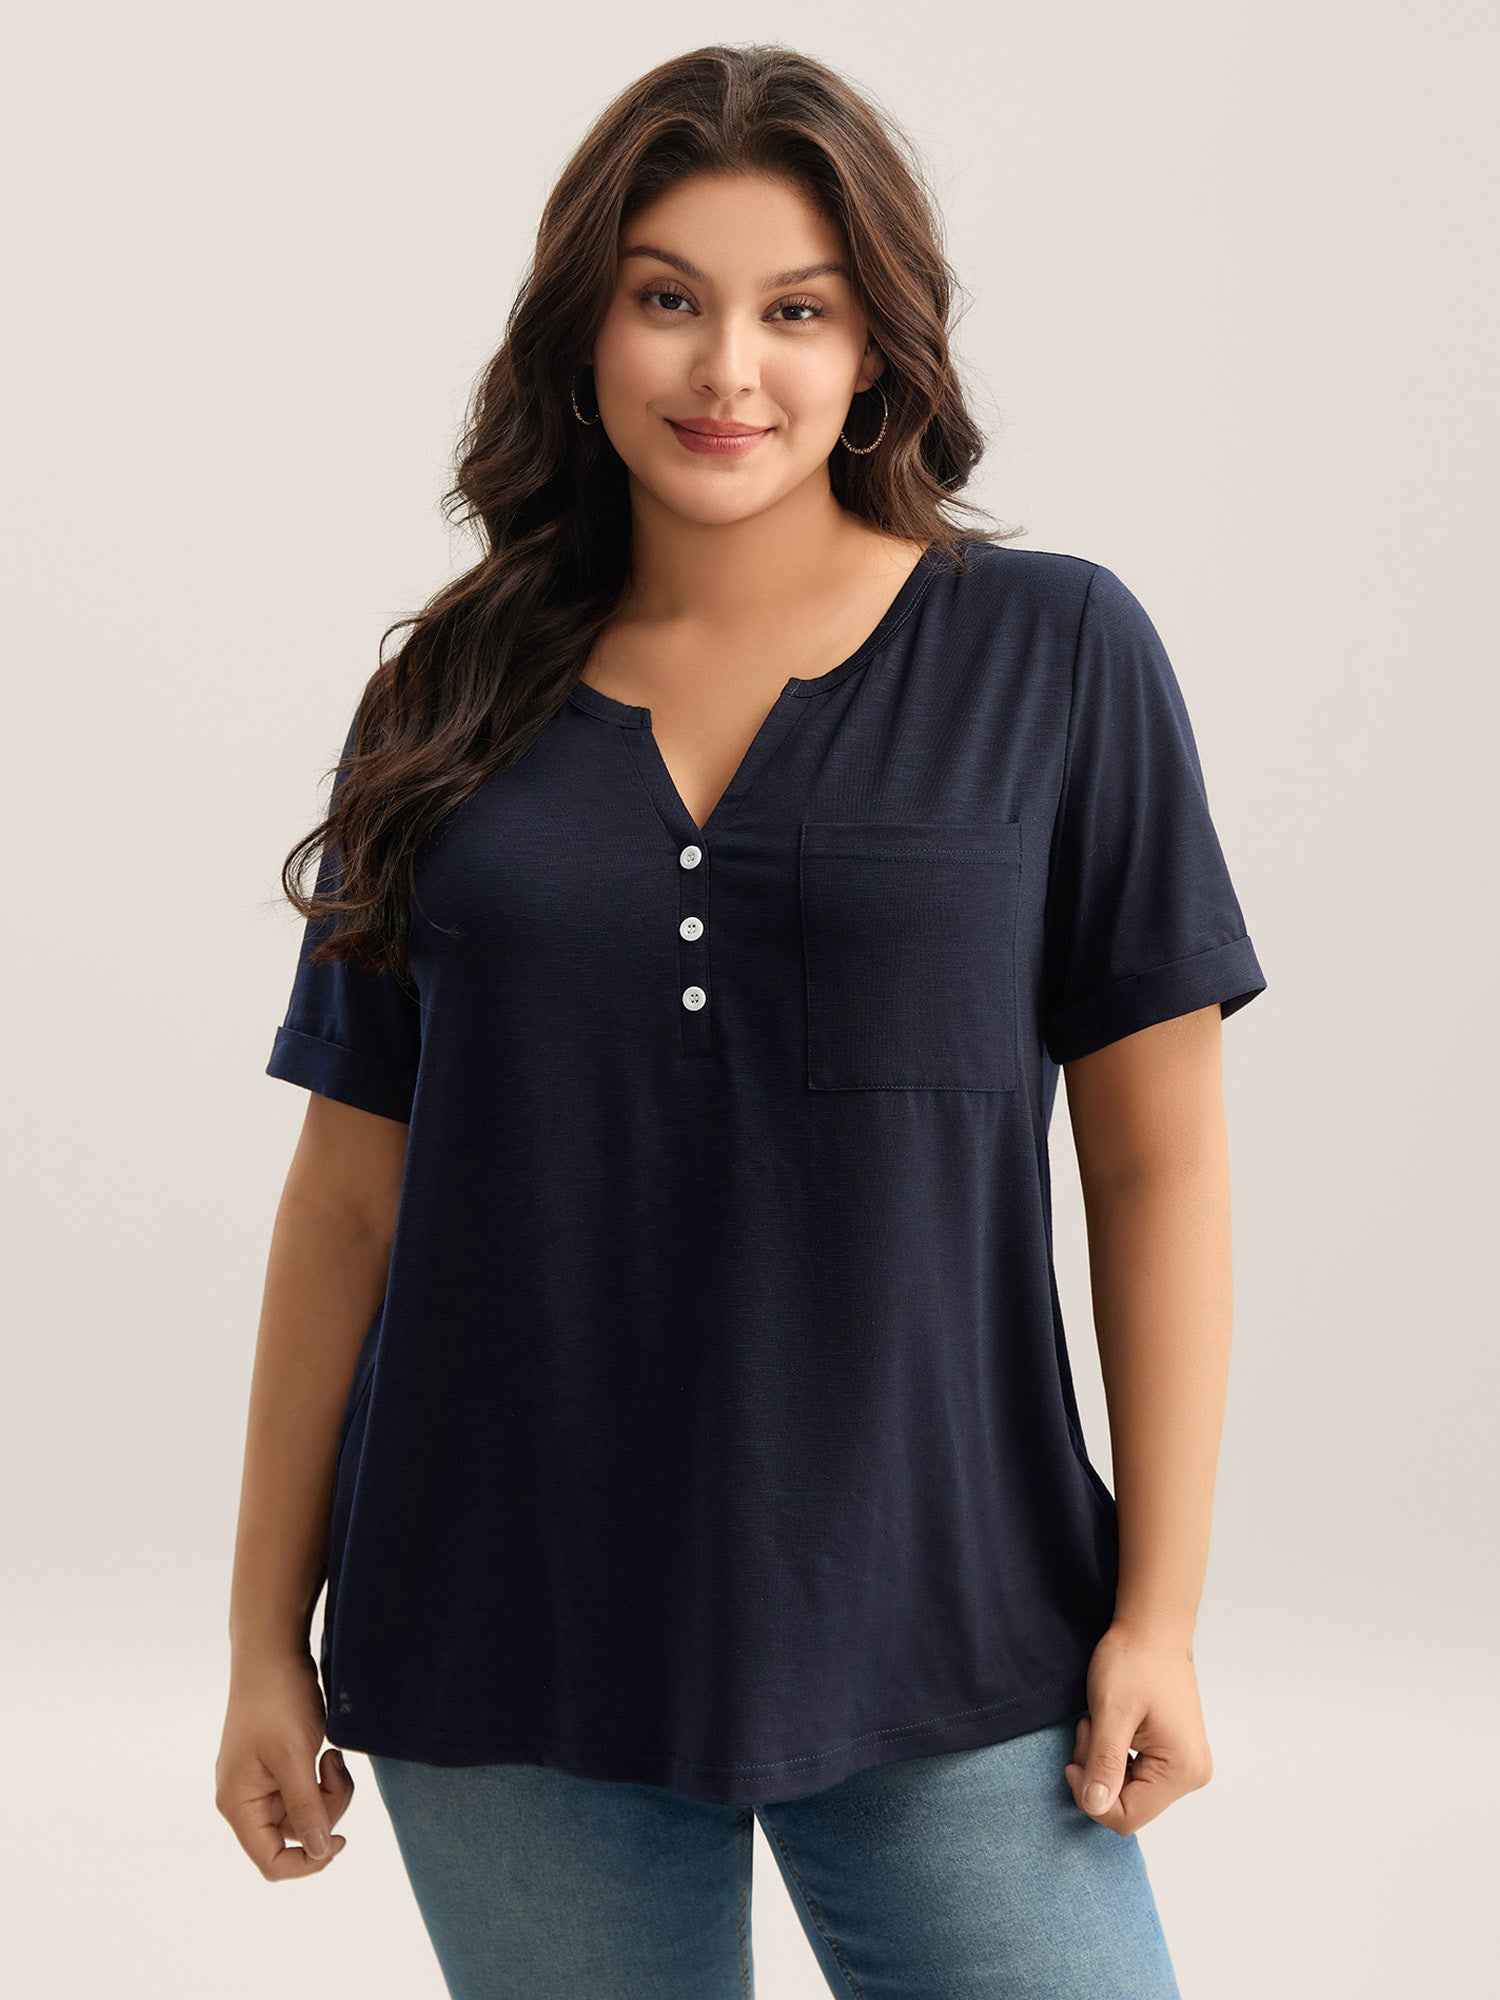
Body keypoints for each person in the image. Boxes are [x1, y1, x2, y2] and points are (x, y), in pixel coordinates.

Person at [217, 41, 1266, 2000]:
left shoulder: (1056, 657)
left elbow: (1160, 1165)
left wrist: (1161, 1613)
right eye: (667, 298)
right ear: (584, 331)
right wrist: (260, 1635)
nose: (727, 370)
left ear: (877, 345)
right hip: (504, 1626)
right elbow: (348, 1199)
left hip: (958, 1622)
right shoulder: (445, 700)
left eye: (796, 309)